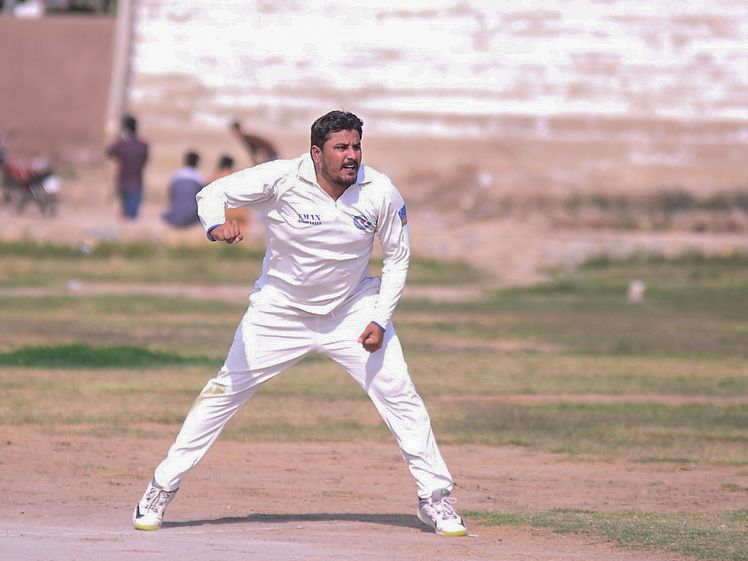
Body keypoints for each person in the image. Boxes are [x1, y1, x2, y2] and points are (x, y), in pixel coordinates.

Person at [132, 110, 467, 537]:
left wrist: (380, 318)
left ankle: (435, 497)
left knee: (400, 394)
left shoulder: (379, 190)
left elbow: (398, 258)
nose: (351, 156)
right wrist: (216, 225)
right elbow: (212, 192)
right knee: (222, 392)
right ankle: (161, 487)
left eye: (356, 147)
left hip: (352, 311)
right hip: (280, 311)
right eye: (341, 148)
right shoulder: (282, 178)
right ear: (316, 153)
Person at [106, 114, 149, 220]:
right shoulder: (142, 145)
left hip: (123, 181)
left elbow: (109, 152)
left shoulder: (122, 144)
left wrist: (120, 138)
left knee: (126, 215)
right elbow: (145, 159)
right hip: (136, 183)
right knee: (132, 216)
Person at [161, 150, 205, 228]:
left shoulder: (176, 176)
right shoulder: (199, 178)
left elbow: (171, 196)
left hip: (175, 215)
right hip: (191, 217)